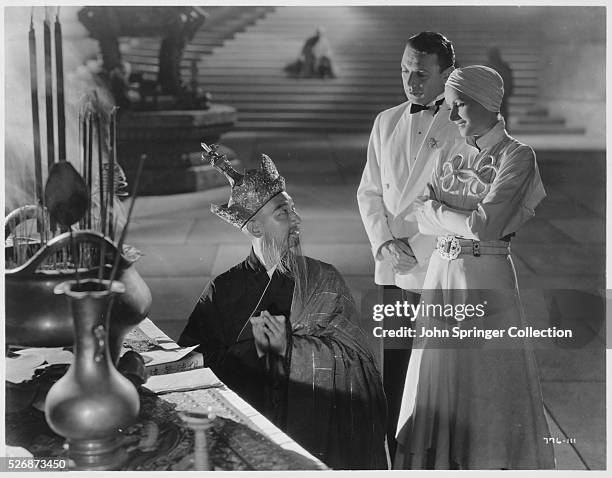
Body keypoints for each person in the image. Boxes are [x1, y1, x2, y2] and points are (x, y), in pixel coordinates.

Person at [178, 148, 387, 470]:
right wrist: (249, 354)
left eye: (294, 209)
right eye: (283, 213)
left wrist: (292, 350)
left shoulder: (323, 278)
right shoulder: (224, 287)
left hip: (310, 429)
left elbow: (359, 362)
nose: (297, 220)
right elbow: (193, 358)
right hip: (244, 427)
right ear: (257, 229)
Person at [394, 66, 555, 469]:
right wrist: (455, 217)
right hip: (441, 275)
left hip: (486, 278)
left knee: (485, 379)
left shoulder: (518, 156)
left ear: (486, 103)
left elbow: (486, 226)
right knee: (436, 374)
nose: (452, 117)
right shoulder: (449, 151)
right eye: (449, 107)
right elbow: (419, 212)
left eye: (459, 106)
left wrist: (439, 211)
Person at [356, 31, 462, 458]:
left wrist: (412, 249)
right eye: (404, 71)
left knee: (438, 373)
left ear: (447, 74)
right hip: (392, 268)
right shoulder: (386, 121)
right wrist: (384, 243)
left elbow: (454, 203)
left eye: (420, 73)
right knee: (396, 371)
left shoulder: (462, 127)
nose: (410, 82)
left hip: (434, 264)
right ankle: (394, 458)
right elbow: (368, 192)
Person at [485, 47, 514, 127]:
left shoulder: (486, 67)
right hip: (502, 96)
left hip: (492, 97)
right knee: (503, 116)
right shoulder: (504, 66)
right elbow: (509, 81)